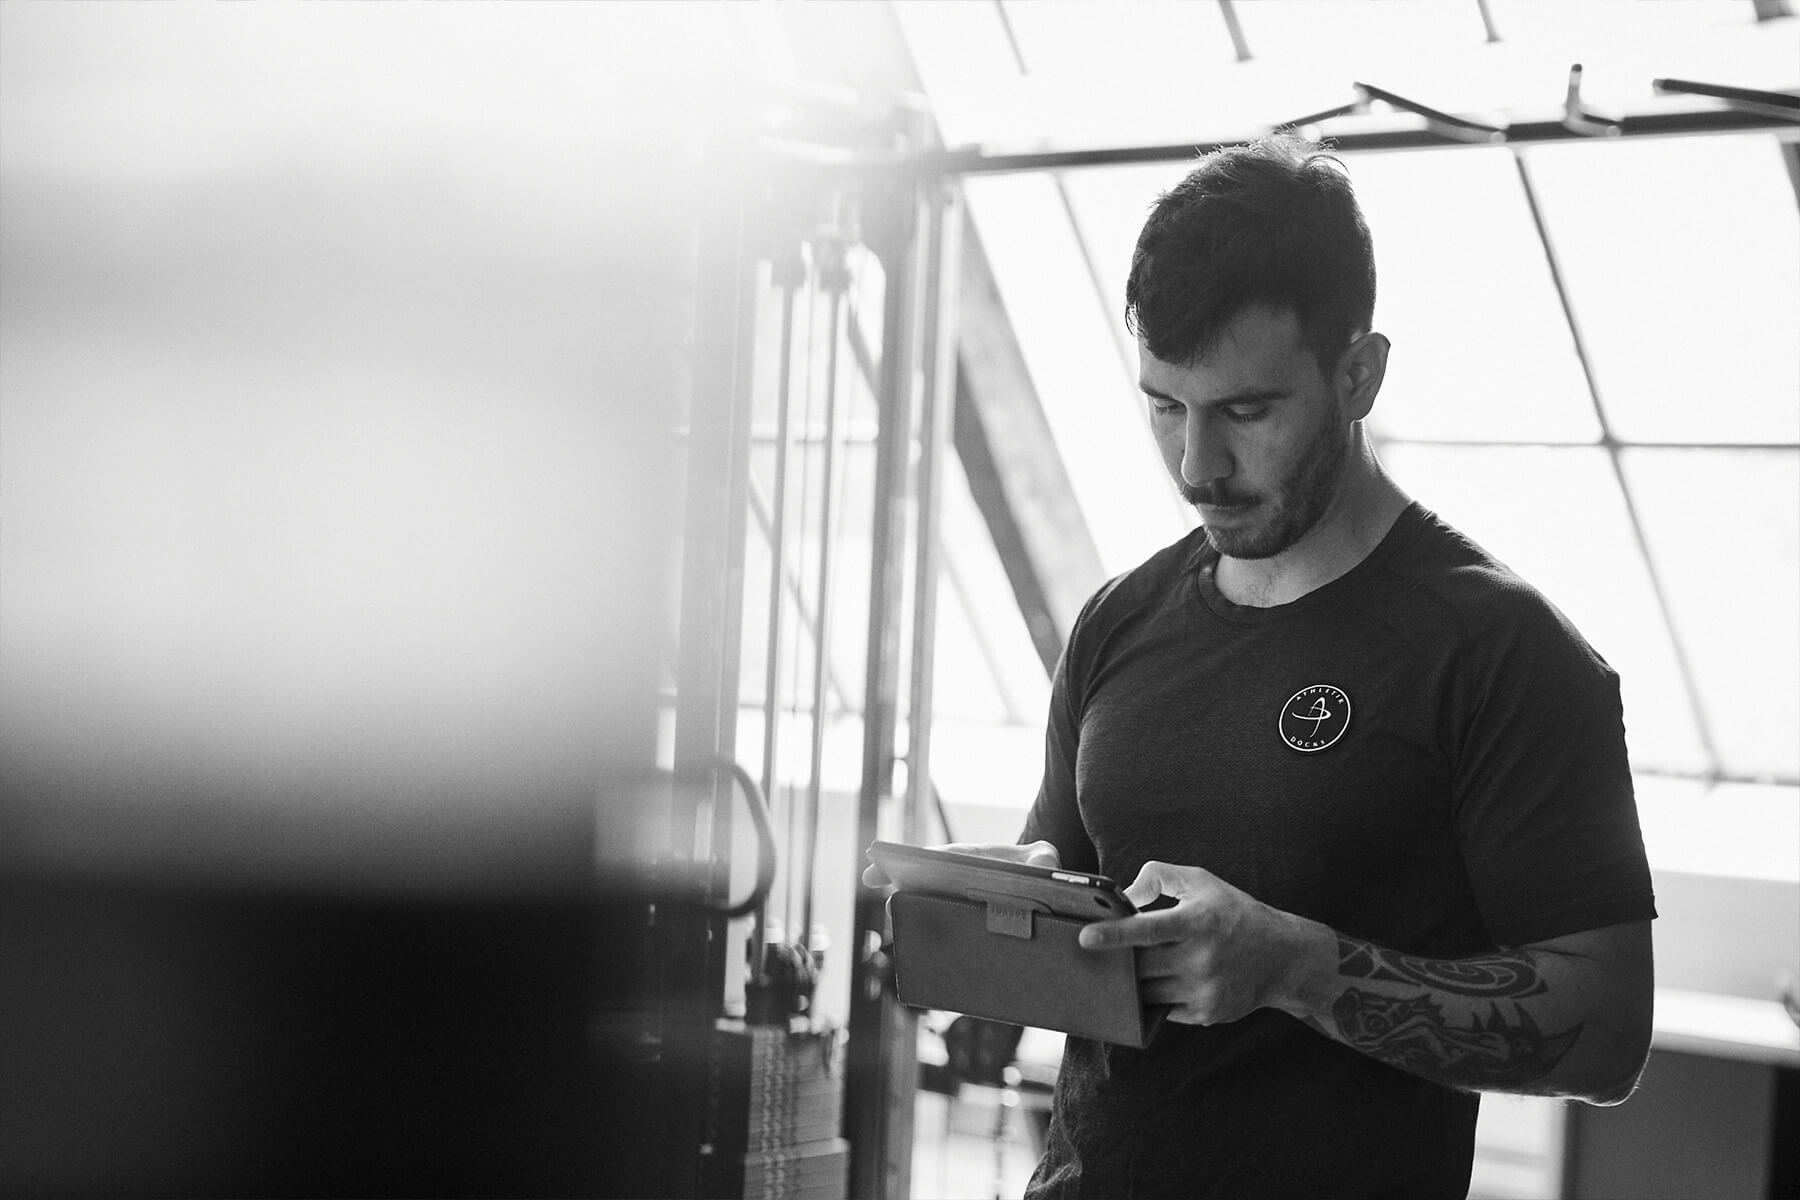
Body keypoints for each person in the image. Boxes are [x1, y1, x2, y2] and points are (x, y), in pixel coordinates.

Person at [873, 134, 1657, 1198]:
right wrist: (986, 967)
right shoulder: (1117, 623)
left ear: (1359, 375)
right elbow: (1059, 888)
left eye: (1246, 412)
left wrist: (1295, 968)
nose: (1198, 467)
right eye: (1163, 406)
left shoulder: (1503, 653)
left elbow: (1606, 1033)